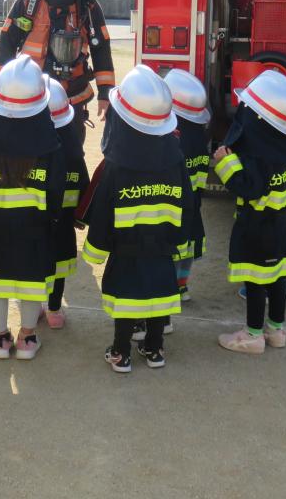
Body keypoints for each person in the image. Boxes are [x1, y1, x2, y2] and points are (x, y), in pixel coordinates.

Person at [82, 65, 198, 373]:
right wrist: (181, 239)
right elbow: (187, 204)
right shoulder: (175, 159)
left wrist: (95, 251)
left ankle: (121, 353)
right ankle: (155, 349)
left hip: (125, 252)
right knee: (160, 296)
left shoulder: (115, 164)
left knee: (126, 299)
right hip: (162, 250)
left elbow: (104, 213)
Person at [0, 55, 65, 360]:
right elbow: (56, 189)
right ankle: (28, 339)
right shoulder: (49, 140)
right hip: (35, 229)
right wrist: (52, 220)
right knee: (31, 282)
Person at [213, 70, 286, 355]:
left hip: (257, 227)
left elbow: (248, 188)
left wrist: (225, 162)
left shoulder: (258, 155)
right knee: (277, 279)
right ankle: (276, 330)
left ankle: (252, 335)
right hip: (284, 225)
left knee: (255, 281)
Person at [0, 0, 115, 144]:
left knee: (71, 154)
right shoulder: (27, 3)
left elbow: (101, 48)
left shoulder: (88, 6)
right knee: (31, 151)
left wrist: (105, 93)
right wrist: (4, 88)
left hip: (73, 95)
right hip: (30, 96)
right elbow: (6, 43)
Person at [44, 77, 89, 329]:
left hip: (32, 224)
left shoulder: (26, 151)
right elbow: (84, 183)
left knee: (35, 264)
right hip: (63, 224)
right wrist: (78, 217)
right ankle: (53, 309)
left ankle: (37, 308)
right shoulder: (72, 151)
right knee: (59, 266)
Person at [163, 68, 211, 303]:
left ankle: (172, 287)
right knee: (188, 248)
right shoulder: (200, 137)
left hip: (174, 207)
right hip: (194, 204)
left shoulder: (173, 137)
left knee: (172, 249)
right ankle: (182, 286)